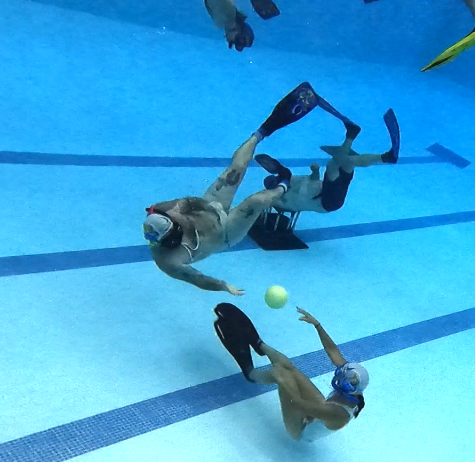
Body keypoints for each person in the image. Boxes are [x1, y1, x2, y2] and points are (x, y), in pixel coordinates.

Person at [142, 82, 320, 294]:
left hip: (210, 206)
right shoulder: (168, 261)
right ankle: (284, 182)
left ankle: (263, 131)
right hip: (226, 233)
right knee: (256, 202)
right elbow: (197, 279)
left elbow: (189, 202)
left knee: (236, 168)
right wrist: (224, 286)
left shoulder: (164, 210)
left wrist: (208, 205)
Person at [213, 303, 369, 442]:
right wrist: (317, 325)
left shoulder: (339, 414)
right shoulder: (352, 387)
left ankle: (251, 374)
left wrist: (281, 380)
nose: (339, 380)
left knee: (283, 373)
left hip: (301, 430)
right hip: (318, 412)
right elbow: (332, 351)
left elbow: (299, 404)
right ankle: (259, 344)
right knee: (289, 367)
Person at [254, 109, 400, 214]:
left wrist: (314, 172)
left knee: (349, 162)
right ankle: (351, 136)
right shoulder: (282, 199)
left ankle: (385, 157)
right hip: (327, 202)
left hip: (327, 192)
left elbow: (309, 179)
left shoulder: (290, 181)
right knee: (332, 165)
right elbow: (296, 198)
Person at [203, 0, 281, 52]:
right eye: (233, 41)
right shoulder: (226, 14)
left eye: (231, 42)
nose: (228, 39)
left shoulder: (223, 19)